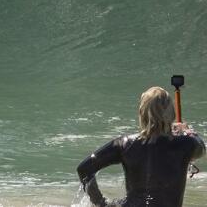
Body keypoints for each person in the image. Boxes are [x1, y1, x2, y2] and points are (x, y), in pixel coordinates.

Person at [77, 86, 205, 207]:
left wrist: (101, 203)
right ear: (171, 113)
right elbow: (202, 149)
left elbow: (84, 169)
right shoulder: (186, 144)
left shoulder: (125, 144)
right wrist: (188, 132)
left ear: (141, 112)